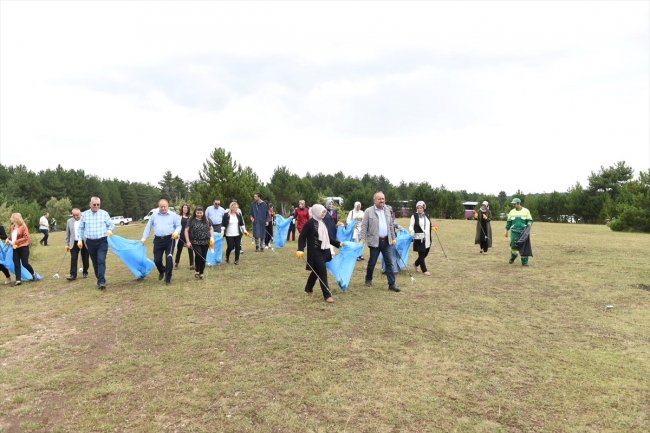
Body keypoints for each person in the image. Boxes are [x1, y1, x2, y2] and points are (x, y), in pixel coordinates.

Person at [296, 204, 342, 303]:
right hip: (315, 252)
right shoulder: (309, 223)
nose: (324, 213)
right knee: (322, 271)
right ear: (316, 212)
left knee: (316, 271)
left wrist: (339, 244)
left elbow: (328, 238)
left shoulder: (323, 223)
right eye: (322, 211)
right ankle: (327, 295)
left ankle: (308, 288)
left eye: (324, 212)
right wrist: (300, 249)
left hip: (324, 251)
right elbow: (302, 237)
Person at [358, 192, 401, 292]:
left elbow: (391, 225)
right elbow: (364, 226)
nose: (382, 200)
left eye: (383, 198)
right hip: (375, 242)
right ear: (374, 200)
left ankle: (392, 284)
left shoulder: (387, 210)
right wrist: (362, 239)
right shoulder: (368, 211)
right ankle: (368, 279)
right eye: (379, 199)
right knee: (372, 263)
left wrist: (393, 238)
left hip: (386, 241)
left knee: (389, 263)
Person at [141, 199, 181, 286]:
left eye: (164, 206)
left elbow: (178, 226)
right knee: (157, 260)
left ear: (168, 206)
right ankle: (162, 270)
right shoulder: (154, 216)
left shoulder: (173, 215)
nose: (163, 208)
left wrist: (176, 232)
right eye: (161, 206)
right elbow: (148, 227)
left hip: (170, 239)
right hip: (158, 240)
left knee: (169, 258)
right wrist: (144, 237)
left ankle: (168, 278)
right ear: (158, 206)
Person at [78, 196, 114, 290]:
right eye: (94, 204)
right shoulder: (84, 215)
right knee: (95, 262)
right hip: (90, 242)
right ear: (90, 204)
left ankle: (101, 281)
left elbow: (111, 224)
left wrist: (110, 230)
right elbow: (81, 228)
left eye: (98, 204)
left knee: (101, 260)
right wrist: (79, 240)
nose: (96, 206)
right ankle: (100, 279)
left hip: (102, 241)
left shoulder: (104, 213)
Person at [5, 213, 37, 287]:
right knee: (16, 264)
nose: (10, 219)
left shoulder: (23, 227)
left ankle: (33, 273)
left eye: (11, 217)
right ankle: (18, 280)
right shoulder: (12, 227)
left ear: (15, 218)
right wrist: (8, 239)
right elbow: (11, 237)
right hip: (15, 247)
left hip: (23, 247)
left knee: (25, 263)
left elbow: (25, 237)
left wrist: (15, 242)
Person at [185, 206, 214, 280]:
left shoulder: (207, 219)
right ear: (195, 212)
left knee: (203, 257)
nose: (199, 214)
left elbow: (211, 228)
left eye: (201, 213)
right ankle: (197, 270)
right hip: (195, 241)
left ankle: (201, 272)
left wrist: (212, 237)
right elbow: (186, 231)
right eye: (197, 213)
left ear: (203, 213)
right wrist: (188, 241)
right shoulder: (191, 220)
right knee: (199, 255)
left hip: (205, 241)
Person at [505, 198, 534, 266]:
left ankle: (524, 262)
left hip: (523, 232)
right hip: (514, 232)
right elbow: (509, 222)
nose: (513, 205)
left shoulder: (526, 211)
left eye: (514, 204)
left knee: (524, 247)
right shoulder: (511, 212)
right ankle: (513, 257)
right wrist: (506, 230)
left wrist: (529, 223)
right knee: (513, 246)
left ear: (518, 203)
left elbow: (530, 220)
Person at [409, 201, 433, 276]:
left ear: (423, 208)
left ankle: (416, 264)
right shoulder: (414, 216)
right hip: (419, 237)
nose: (419, 209)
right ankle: (424, 270)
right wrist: (412, 231)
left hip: (428, 238)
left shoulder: (427, 215)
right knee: (421, 253)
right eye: (418, 208)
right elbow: (411, 226)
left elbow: (429, 224)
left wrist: (432, 227)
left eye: (421, 208)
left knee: (426, 253)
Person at [65, 208, 89, 280]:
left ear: (80, 214)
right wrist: (67, 244)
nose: (75, 217)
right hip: (74, 242)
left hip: (83, 242)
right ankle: (73, 274)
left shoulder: (85, 220)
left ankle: (85, 272)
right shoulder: (69, 221)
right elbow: (67, 234)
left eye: (77, 215)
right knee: (74, 258)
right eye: (74, 215)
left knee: (85, 258)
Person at [175, 203, 195, 270]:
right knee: (179, 250)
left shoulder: (190, 217)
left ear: (188, 209)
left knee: (190, 250)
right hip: (180, 236)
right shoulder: (178, 217)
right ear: (182, 208)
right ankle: (176, 264)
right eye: (184, 207)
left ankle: (192, 265)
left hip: (188, 236)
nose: (185, 209)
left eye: (186, 208)